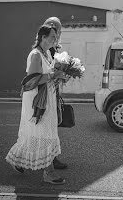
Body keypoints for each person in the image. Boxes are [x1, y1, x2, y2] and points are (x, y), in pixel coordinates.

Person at [6, 25, 67, 185]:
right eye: (53, 36)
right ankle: (49, 173)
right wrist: (54, 75)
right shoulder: (35, 55)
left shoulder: (47, 53)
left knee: (35, 132)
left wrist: (59, 75)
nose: (56, 39)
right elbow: (31, 81)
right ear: (43, 37)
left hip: (47, 97)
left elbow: (47, 75)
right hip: (37, 101)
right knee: (44, 132)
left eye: (56, 36)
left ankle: (17, 160)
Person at [43, 17, 68, 170]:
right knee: (48, 127)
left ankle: (52, 157)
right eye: (58, 31)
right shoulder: (47, 48)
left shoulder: (54, 46)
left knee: (52, 126)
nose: (59, 34)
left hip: (53, 91)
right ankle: (51, 159)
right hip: (46, 93)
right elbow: (49, 70)